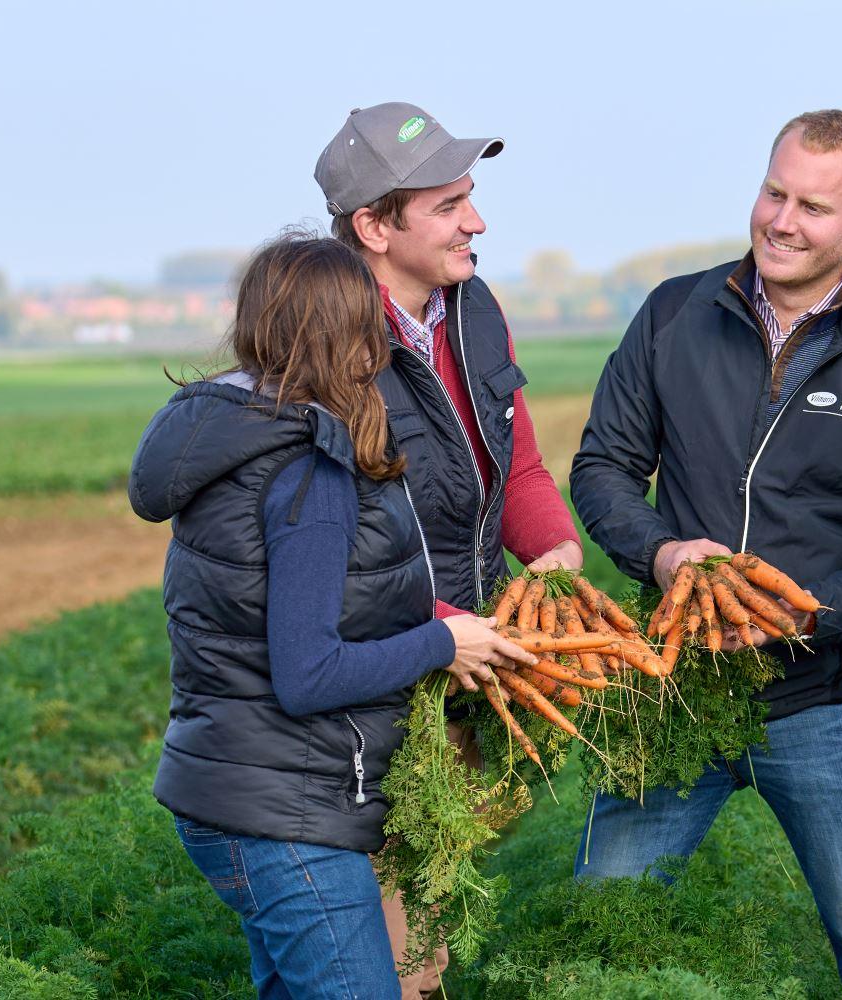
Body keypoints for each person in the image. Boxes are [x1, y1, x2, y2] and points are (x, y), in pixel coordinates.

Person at [569, 109, 842, 998]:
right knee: (599, 934)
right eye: (773, 192)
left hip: (824, 706)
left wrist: (797, 617)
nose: (782, 220)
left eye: (812, 207)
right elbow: (601, 469)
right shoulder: (676, 312)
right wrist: (664, 555)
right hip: (672, 687)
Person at [128, 235, 538, 999]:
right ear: (349, 336)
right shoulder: (309, 476)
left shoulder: (245, 438)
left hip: (237, 791)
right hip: (287, 819)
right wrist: (442, 640)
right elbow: (308, 674)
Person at [315, 102, 583, 995]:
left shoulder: (472, 311)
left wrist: (551, 550)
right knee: (391, 909)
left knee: (435, 894)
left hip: (462, 659)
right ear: (373, 227)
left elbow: (518, 464)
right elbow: (329, 548)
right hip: (372, 667)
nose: (477, 221)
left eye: (471, 197)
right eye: (449, 205)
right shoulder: (324, 344)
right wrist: (441, 629)